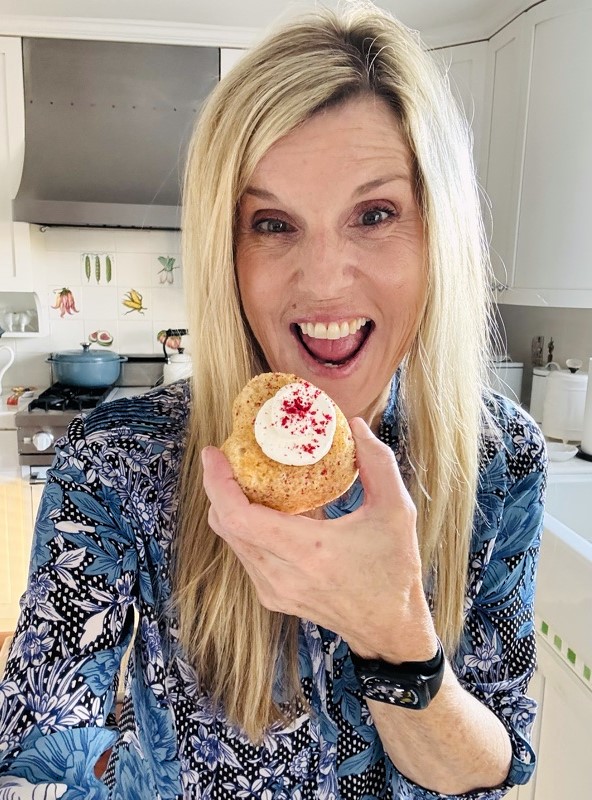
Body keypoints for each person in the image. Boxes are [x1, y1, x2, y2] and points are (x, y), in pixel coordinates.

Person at [0, 3, 546, 799]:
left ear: (439, 237)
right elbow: (38, 751)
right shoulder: (120, 460)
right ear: (229, 250)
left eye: (375, 214)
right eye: (272, 223)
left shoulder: (500, 459)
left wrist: (393, 635)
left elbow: (489, 771)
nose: (323, 281)